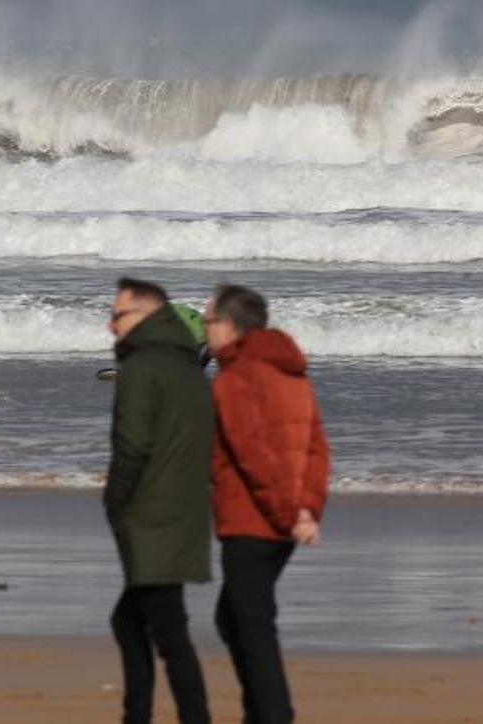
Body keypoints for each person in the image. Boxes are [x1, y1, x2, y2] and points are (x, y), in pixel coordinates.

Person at [204, 284, 331, 724]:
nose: (205, 332)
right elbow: (317, 450)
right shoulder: (292, 372)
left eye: (208, 323)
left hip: (253, 523)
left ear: (231, 327)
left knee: (251, 627)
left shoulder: (235, 379)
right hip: (284, 522)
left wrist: (286, 516)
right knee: (233, 619)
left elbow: (253, 457)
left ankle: (274, 716)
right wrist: (307, 511)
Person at [104, 277, 214, 724]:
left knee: (169, 632)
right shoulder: (189, 367)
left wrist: (115, 502)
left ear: (146, 315)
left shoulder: (143, 368)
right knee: (132, 622)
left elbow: (131, 447)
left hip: (151, 518)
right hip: (183, 513)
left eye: (118, 315)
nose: (111, 326)